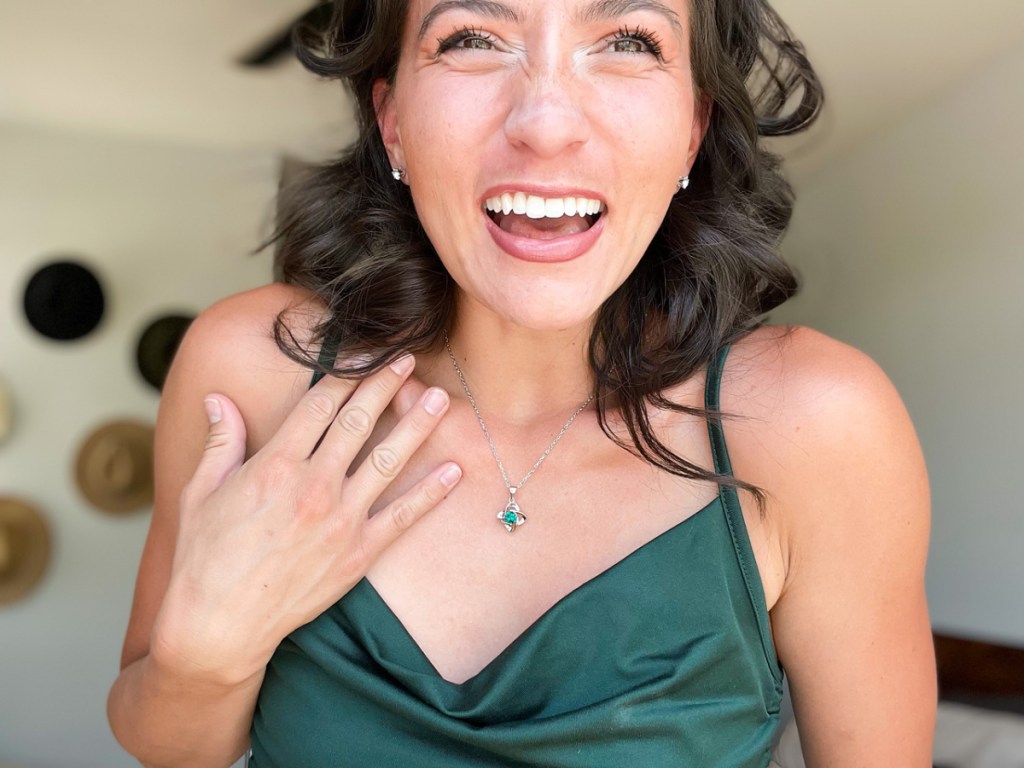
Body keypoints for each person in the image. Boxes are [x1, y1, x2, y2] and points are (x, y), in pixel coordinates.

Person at [107, 0, 937, 765]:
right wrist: (203, 656)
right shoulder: (255, 373)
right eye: (471, 38)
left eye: (628, 41)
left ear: (692, 127)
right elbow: (172, 746)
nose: (545, 124)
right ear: (391, 121)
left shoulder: (813, 424)